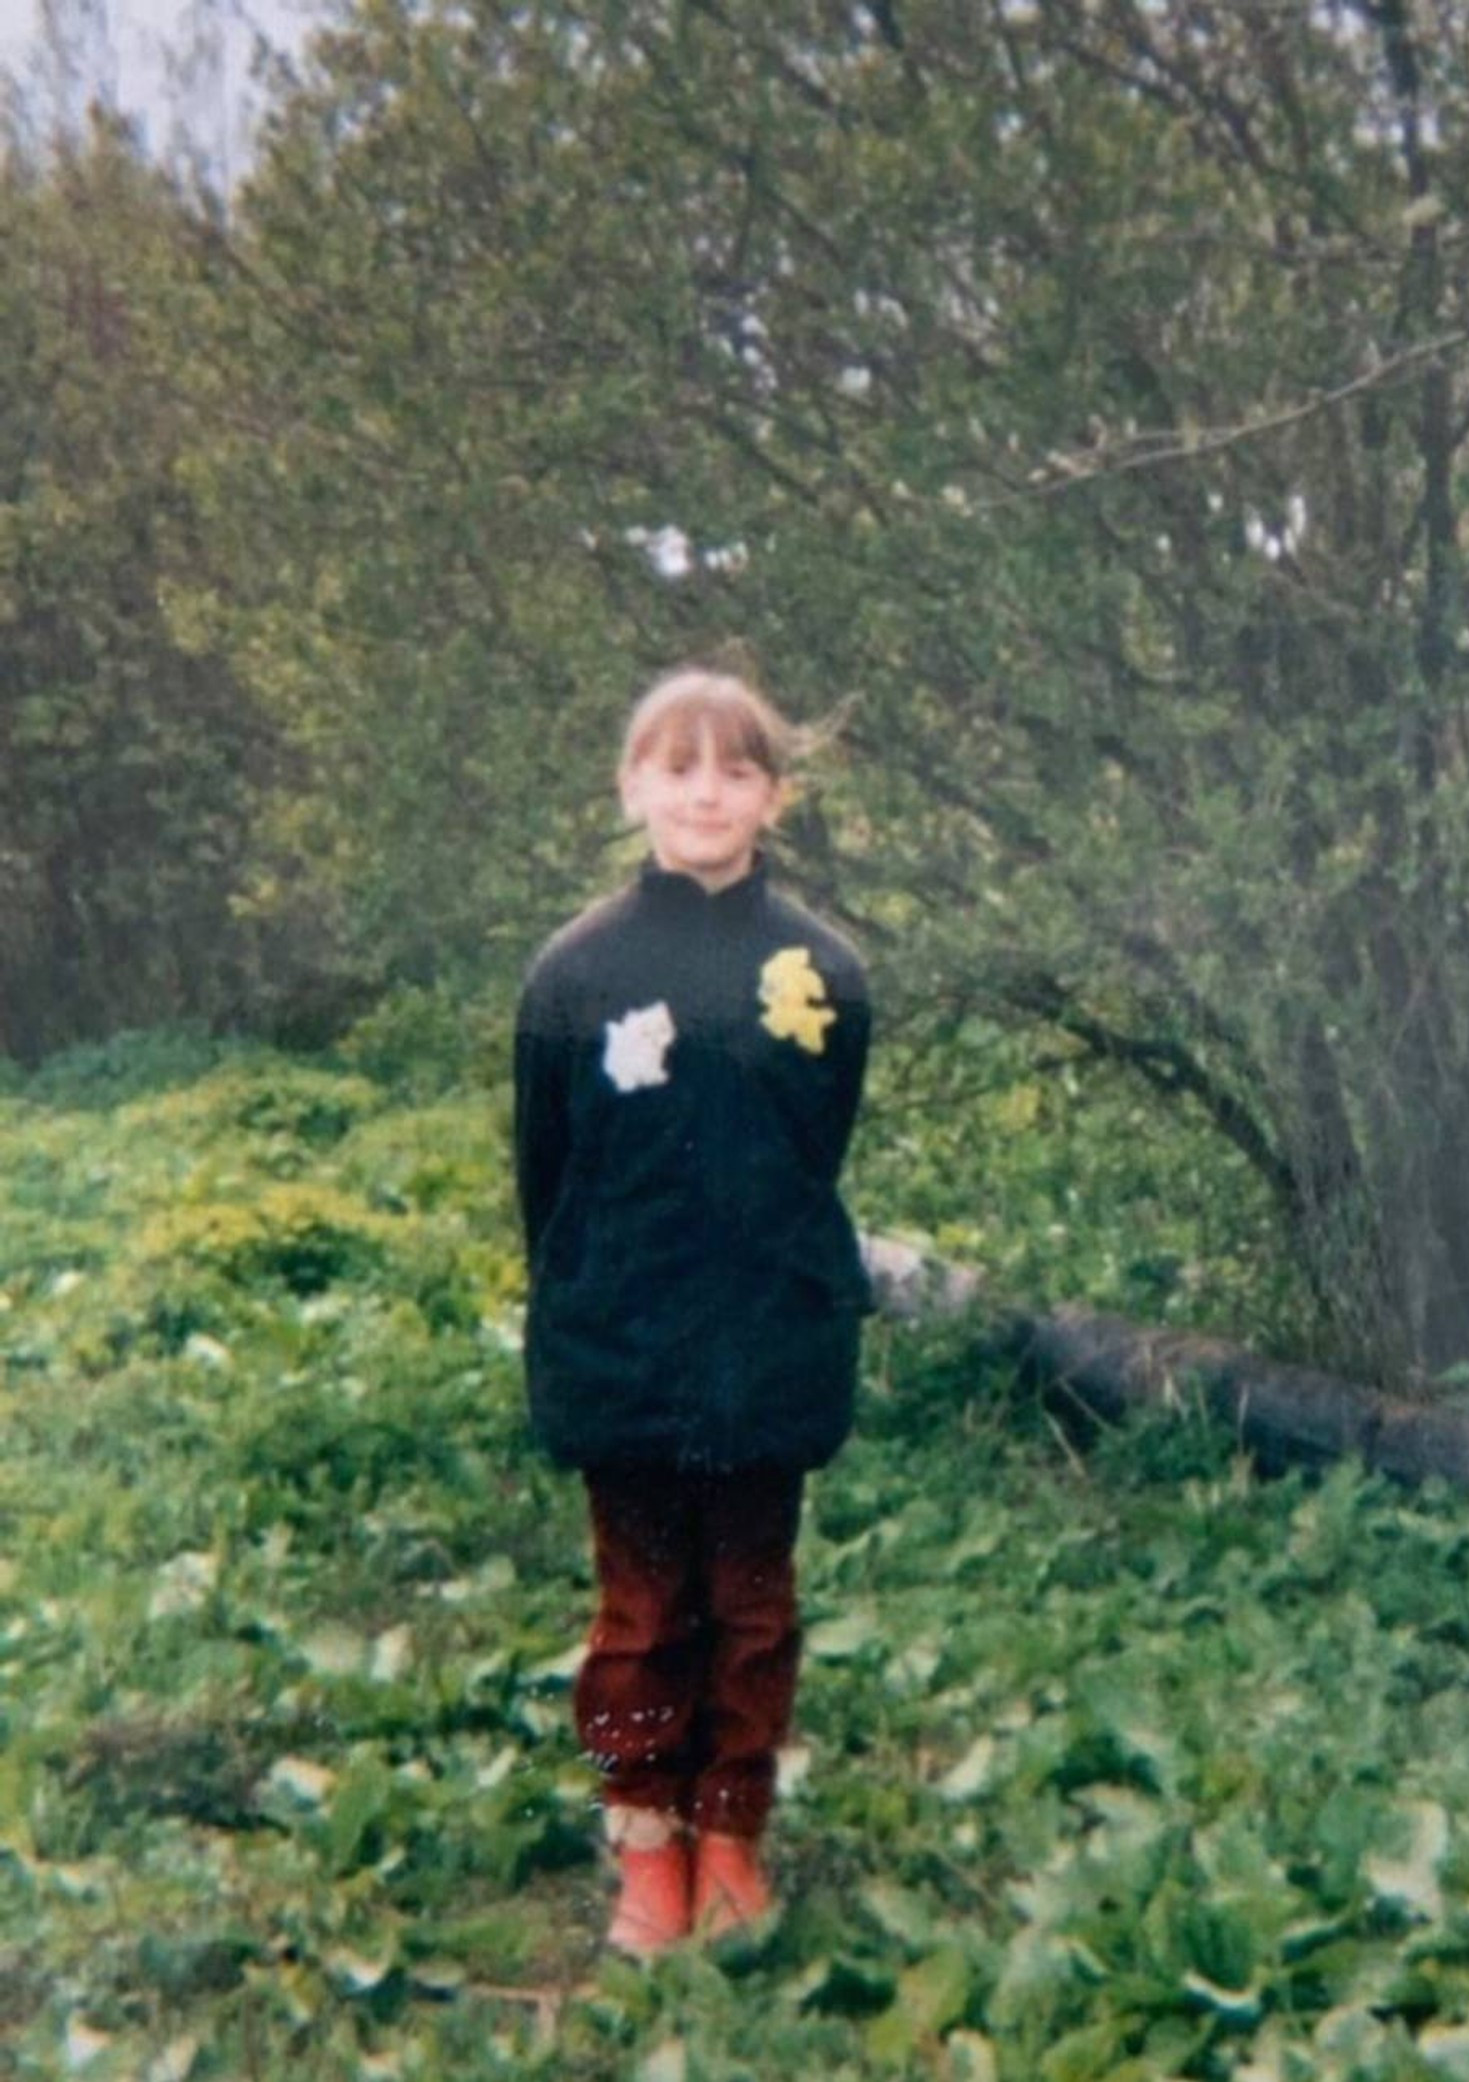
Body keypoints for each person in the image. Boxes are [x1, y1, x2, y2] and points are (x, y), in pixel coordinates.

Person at [512, 661, 873, 1959]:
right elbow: (546, 1176)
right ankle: (646, 1836)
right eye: (679, 768)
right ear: (633, 788)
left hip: (768, 1346)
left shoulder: (823, 970)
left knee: (753, 1609)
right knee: (643, 1615)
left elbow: (815, 1152)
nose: (707, 793)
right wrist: (582, 1313)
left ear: (775, 793)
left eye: (736, 768)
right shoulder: (574, 973)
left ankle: (729, 1832)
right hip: (624, 1345)